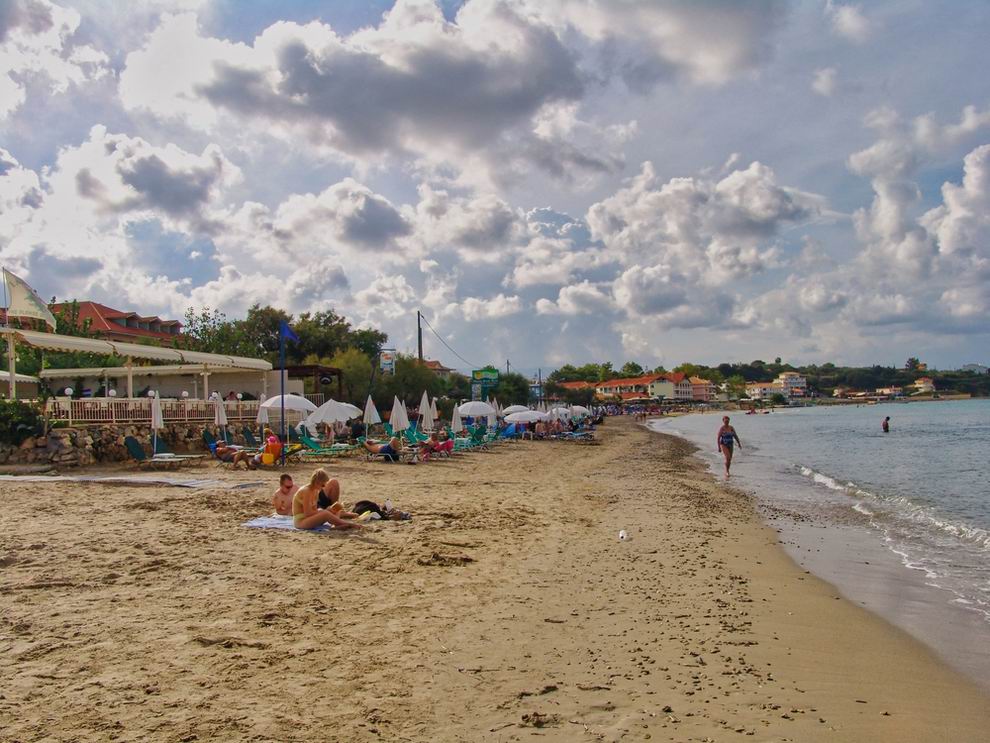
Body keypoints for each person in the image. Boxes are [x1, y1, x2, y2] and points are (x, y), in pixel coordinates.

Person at [292, 469, 363, 531]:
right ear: (317, 482)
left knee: (330, 510)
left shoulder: (316, 490)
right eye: (323, 485)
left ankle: (336, 525)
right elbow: (308, 513)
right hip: (300, 522)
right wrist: (325, 511)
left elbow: (314, 510)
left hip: (307, 519)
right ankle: (348, 524)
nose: (324, 487)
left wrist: (326, 510)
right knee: (325, 513)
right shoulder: (306, 491)